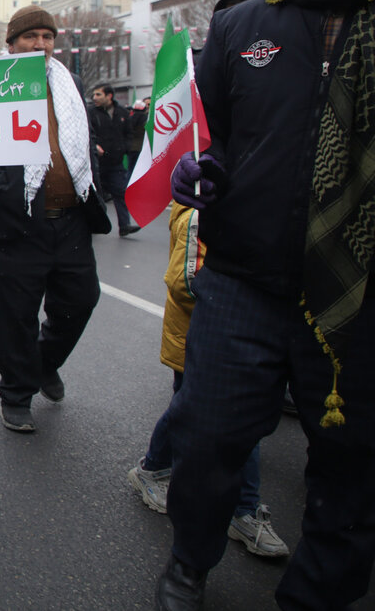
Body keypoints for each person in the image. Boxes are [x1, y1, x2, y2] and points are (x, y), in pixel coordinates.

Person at [155, 0, 375, 611]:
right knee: (207, 440)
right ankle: (189, 560)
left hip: (357, 299)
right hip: (241, 282)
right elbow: (222, 135)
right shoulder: (243, 25)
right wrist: (205, 170)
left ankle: (315, 595)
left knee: (351, 465)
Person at [0, 6, 110, 433]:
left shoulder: (71, 83)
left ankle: (43, 363)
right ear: (12, 44)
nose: (40, 44)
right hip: (19, 221)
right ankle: (15, 395)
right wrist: (0, 184)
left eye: (47, 37)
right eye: (30, 37)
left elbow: (82, 139)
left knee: (81, 300)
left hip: (71, 219)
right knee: (14, 316)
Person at [128, 201, 289, 558]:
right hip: (205, 335)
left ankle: (154, 467)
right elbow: (185, 281)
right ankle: (244, 509)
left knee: (189, 409)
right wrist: (235, 306)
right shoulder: (201, 206)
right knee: (232, 415)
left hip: (230, 333)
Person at [88, 82, 138, 236]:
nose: (94, 97)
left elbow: (129, 133)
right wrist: (94, 146)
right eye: (94, 94)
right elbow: (86, 133)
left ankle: (125, 225)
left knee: (120, 193)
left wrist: (124, 148)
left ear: (109, 96)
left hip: (115, 162)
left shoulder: (122, 113)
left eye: (98, 94)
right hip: (96, 163)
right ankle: (94, 224)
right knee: (95, 195)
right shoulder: (91, 113)